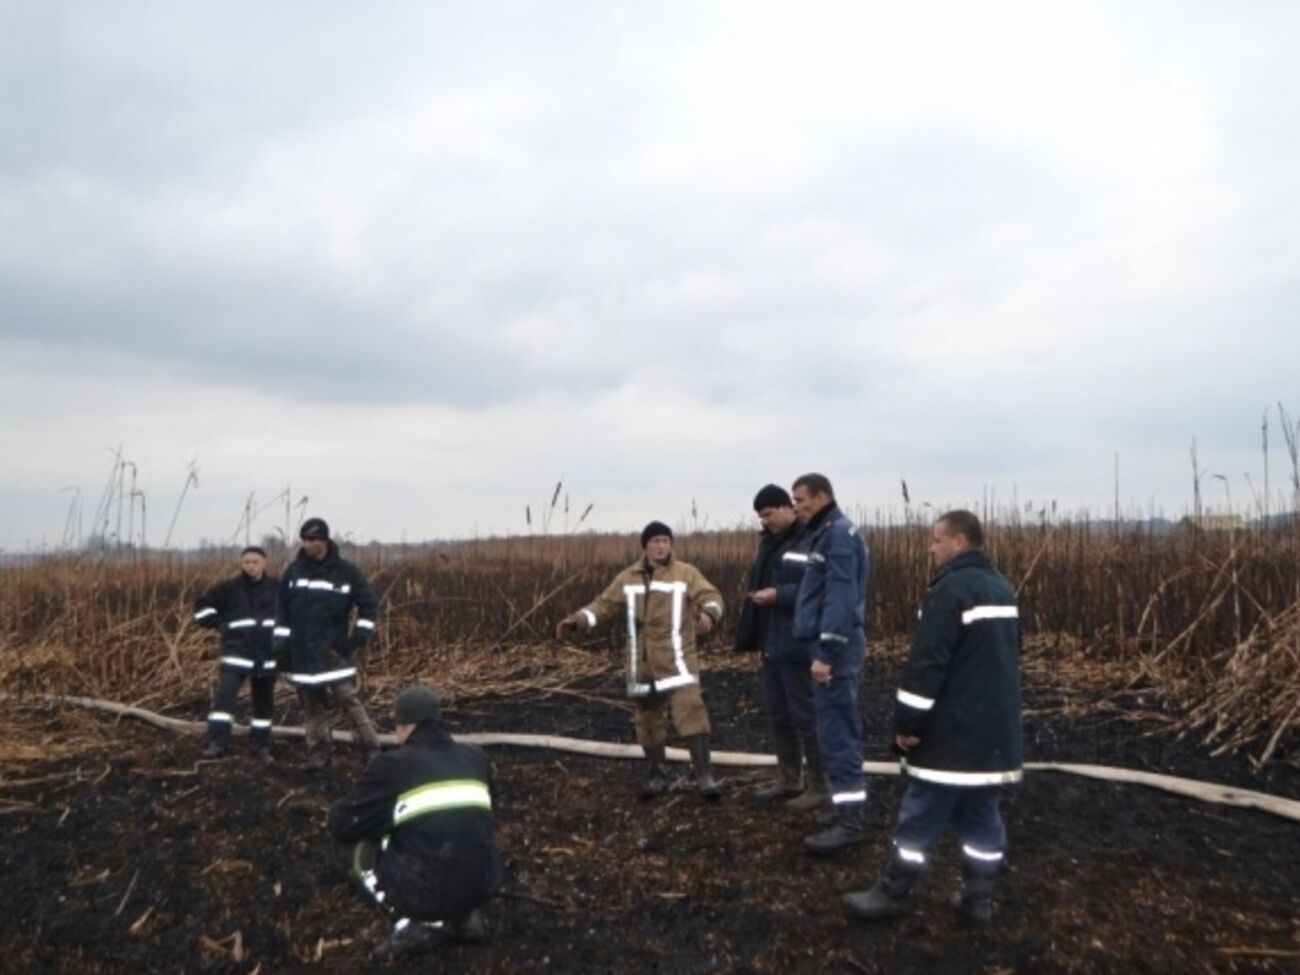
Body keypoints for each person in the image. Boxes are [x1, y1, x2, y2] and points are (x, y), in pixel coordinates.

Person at [842, 510, 1021, 926]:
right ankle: (979, 898)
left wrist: (907, 724)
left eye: (937, 540)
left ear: (959, 542)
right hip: (994, 735)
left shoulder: (950, 591)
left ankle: (894, 891)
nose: (931, 548)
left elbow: (928, 666)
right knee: (981, 814)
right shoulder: (1003, 589)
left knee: (921, 811)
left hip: (952, 734)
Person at [328, 686, 503, 959]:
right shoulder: (476, 757)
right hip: (482, 885)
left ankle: (414, 921)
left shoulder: (393, 765)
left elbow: (342, 823)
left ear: (404, 727)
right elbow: (489, 814)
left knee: (350, 849)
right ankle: (464, 915)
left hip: (427, 890)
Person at [556, 521, 726, 799]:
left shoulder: (686, 573)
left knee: (692, 713)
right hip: (641, 665)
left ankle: (705, 777)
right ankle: (657, 774)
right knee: (647, 721)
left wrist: (709, 615)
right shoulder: (628, 577)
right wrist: (577, 621)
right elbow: (603, 605)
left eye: (665, 541)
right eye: (655, 541)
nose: (660, 546)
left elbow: (712, 596)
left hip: (678, 662)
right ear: (645, 546)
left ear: (671, 544)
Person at [790, 473, 871, 855]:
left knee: (839, 734)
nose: (796, 507)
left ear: (822, 497)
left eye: (801, 500)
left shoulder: (837, 536)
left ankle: (850, 823)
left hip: (834, 654)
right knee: (833, 730)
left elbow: (841, 599)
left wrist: (827, 654)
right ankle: (843, 808)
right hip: (827, 649)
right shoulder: (828, 533)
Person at [734, 484, 826, 808]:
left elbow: (817, 588)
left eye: (769, 514)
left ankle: (820, 784)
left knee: (806, 715)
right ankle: (789, 779)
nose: (765, 521)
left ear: (788, 508)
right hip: (772, 644)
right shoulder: (768, 545)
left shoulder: (810, 540)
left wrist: (779, 595)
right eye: (760, 516)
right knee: (778, 714)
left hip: (798, 645)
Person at [273, 517, 383, 770]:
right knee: (311, 707)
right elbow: (282, 613)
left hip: (334, 653)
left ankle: (371, 747)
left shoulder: (346, 573)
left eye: (313, 539)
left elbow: (369, 605)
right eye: (305, 540)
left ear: (324, 540)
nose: (308, 544)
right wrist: (280, 646)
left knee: (349, 701)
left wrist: (359, 637)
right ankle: (319, 753)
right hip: (301, 654)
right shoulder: (293, 572)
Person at [192, 545, 279, 763]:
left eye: (255, 562)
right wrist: (220, 625)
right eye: (246, 562)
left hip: (266, 657)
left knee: (263, 704)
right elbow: (201, 609)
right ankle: (217, 743)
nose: (250, 566)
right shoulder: (228, 588)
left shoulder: (277, 588)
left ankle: (260, 745)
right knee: (225, 699)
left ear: (264, 563)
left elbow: (292, 615)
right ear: (242, 564)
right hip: (236, 654)